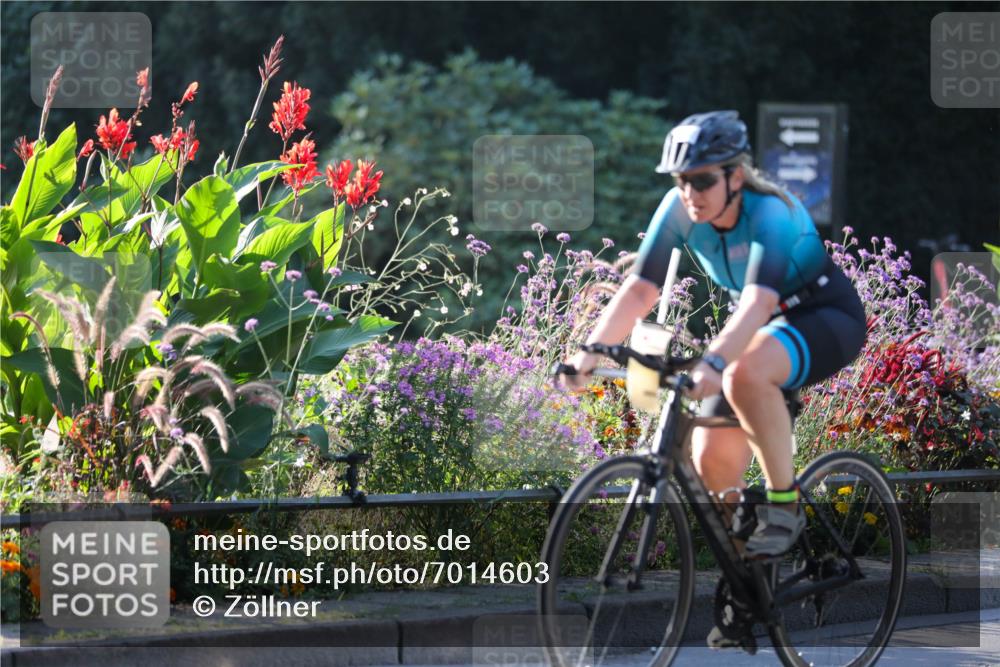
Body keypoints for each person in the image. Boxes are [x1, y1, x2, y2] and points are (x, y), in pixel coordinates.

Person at [557, 111, 867, 642]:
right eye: (682, 181)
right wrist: (587, 352)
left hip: (822, 316)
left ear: (735, 175)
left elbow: (757, 303)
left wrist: (715, 364)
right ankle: (750, 593)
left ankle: (785, 507)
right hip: (759, 329)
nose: (690, 193)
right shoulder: (679, 207)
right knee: (710, 464)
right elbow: (641, 289)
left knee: (742, 374)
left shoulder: (770, 212)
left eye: (702, 180)